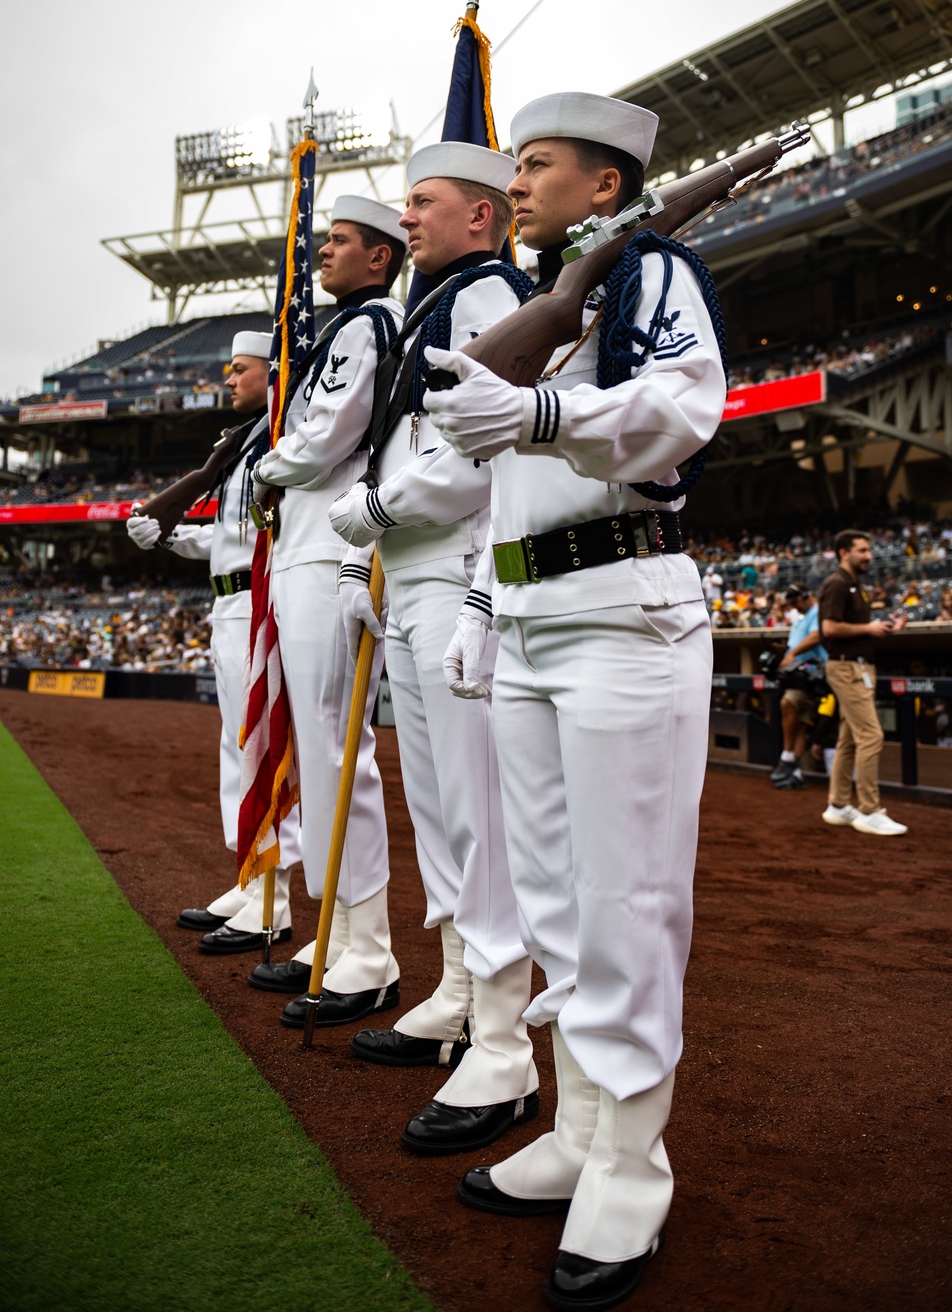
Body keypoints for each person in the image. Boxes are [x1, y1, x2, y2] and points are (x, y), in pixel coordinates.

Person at [424, 92, 726, 1309]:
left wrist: (543, 411)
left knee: (626, 900)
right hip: (537, 611)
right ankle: (583, 1125)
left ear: (605, 184)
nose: (521, 179)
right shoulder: (552, 290)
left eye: (539, 164)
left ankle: (631, 1166)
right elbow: (506, 493)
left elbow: (683, 415)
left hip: (622, 609)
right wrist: (487, 608)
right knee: (552, 897)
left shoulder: (650, 269)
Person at [328, 141, 539, 1156]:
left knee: (475, 804)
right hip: (412, 567)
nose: (405, 217)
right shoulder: (437, 297)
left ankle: (503, 1039)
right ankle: (459, 987)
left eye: (423, 202)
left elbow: (469, 449)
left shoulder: (484, 295)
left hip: (453, 559)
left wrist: (373, 507)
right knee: (441, 803)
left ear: (480, 218)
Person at [250, 196, 408, 1026]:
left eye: (339, 242)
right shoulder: (343, 330)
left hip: (330, 547)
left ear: (380, 257)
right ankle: (339, 929)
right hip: (306, 549)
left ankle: (370, 946)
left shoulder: (364, 328)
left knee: (343, 751)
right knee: (320, 749)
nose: (324, 253)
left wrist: (267, 467)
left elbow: (322, 442)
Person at [126, 331, 301, 951]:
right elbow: (227, 539)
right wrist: (170, 537)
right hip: (226, 602)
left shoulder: (275, 440)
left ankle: (273, 899)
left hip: (255, 603)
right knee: (236, 748)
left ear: (272, 376)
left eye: (240, 369)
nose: (228, 378)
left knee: (259, 744)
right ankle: (249, 879)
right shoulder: (238, 446)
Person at [819, 529, 908, 836]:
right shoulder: (838, 583)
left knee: (850, 738)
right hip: (847, 669)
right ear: (844, 552)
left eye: (869, 550)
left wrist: (883, 628)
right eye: (862, 550)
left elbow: (858, 629)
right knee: (871, 735)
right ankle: (869, 810)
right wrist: (869, 628)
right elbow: (829, 628)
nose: (869, 555)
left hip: (857, 668)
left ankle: (839, 805)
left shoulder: (855, 585)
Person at [770, 582, 827, 790]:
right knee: (801, 725)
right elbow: (797, 643)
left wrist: (792, 654)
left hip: (813, 674)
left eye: (796, 602)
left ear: (806, 595)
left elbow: (815, 636)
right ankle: (795, 773)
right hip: (798, 674)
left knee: (788, 703)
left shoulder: (817, 611)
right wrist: (785, 650)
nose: (795, 606)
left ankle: (787, 757)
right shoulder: (800, 617)